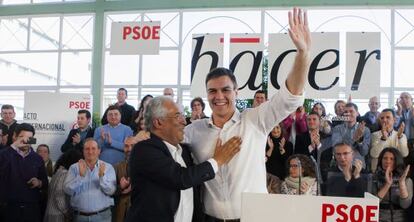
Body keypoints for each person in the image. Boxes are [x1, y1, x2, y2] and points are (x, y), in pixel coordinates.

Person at [184, 8, 311, 220]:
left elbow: (290, 97)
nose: (219, 96)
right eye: (212, 91)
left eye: (225, 90)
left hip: (253, 218)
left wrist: (303, 55)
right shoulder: (193, 131)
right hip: (209, 218)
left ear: (237, 92)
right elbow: (166, 145)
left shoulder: (255, 120)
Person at [125, 96, 241, 222]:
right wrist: (218, 160)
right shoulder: (143, 150)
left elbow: (195, 184)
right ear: (158, 122)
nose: (184, 122)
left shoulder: (184, 151)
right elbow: (181, 178)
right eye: (177, 116)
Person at [0, 123, 48, 222]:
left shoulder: (37, 158)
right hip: (8, 208)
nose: (25, 141)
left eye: (29, 138)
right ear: (14, 136)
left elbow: (45, 182)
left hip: (31, 209)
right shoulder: (5, 154)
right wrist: (13, 147)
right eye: (22, 137)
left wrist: (39, 182)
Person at [64, 138, 116, 222]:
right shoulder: (74, 167)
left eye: (93, 148)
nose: (90, 152)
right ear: (83, 151)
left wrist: (101, 177)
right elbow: (67, 191)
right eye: (87, 149)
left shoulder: (108, 167)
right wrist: (80, 177)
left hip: (102, 217)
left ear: (99, 151)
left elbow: (111, 191)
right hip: (79, 217)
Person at [113, 134, 148, 222]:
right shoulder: (117, 167)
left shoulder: (148, 166)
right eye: (126, 146)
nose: (129, 149)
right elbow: (111, 191)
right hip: (121, 213)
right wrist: (120, 187)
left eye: (133, 146)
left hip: (142, 212)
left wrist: (133, 186)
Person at [373, 148, 412, 222]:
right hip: (379, 218)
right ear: (381, 160)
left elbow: (405, 205)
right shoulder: (373, 178)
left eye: (392, 159)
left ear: (397, 161)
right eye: (385, 158)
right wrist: (387, 184)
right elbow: (372, 203)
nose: (388, 161)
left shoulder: (407, 180)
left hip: (399, 219)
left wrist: (402, 184)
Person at [44, 149, 82, 222]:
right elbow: (59, 195)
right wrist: (66, 213)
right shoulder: (65, 174)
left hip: (52, 212)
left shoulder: (59, 171)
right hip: (58, 215)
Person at [331, 102, 371, 169]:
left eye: (351, 111)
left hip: (359, 166)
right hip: (341, 167)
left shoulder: (365, 130)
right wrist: (354, 139)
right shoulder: (337, 129)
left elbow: (364, 152)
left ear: (357, 113)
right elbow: (337, 149)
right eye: (346, 111)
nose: (348, 113)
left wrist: (359, 141)